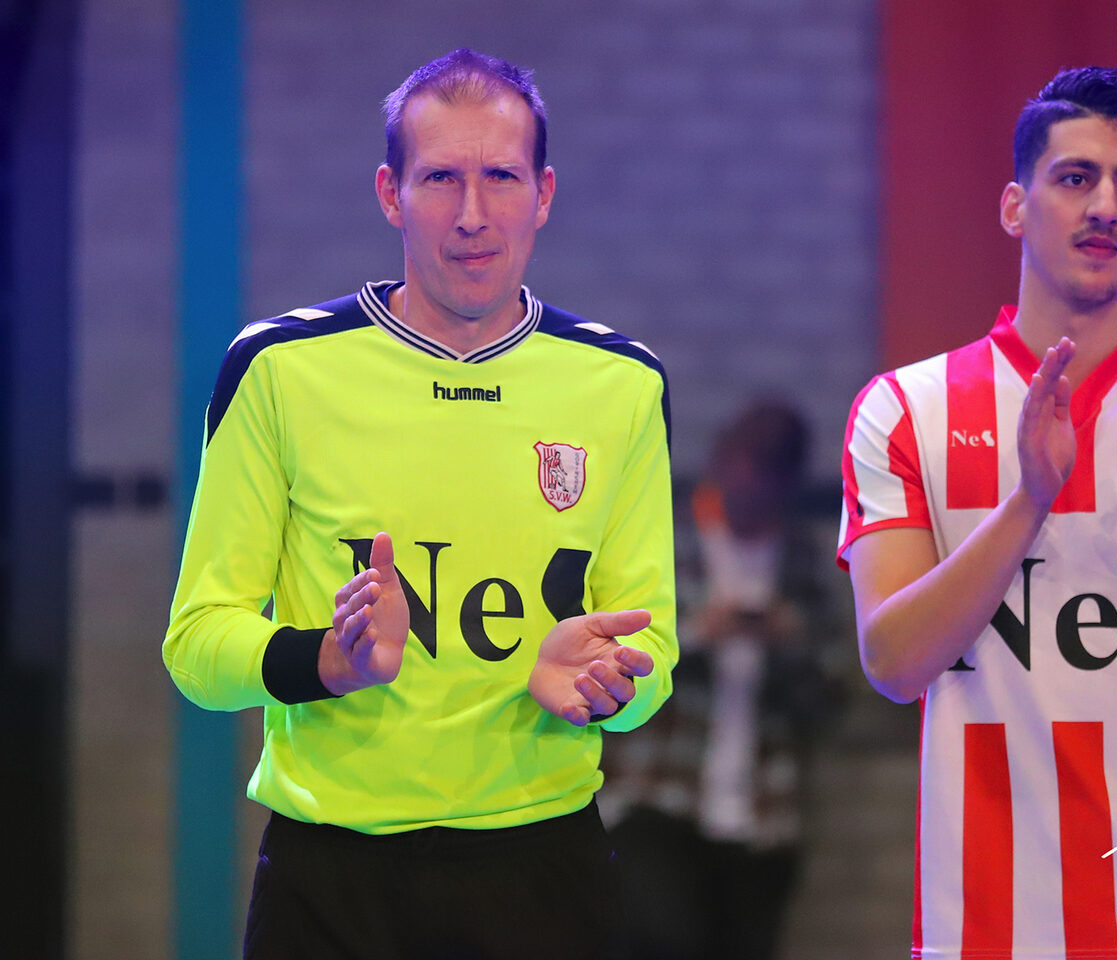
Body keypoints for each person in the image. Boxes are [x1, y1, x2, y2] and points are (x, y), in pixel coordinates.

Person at [164, 49, 676, 960]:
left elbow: (655, 657)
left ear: (544, 193)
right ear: (390, 194)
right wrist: (329, 660)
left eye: (501, 177)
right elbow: (198, 645)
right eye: (440, 178)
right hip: (332, 880)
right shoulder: (279, 369)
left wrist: (609, 689)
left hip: (545, 871)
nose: (472, 214)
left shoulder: (622, 383)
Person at [839, 66, 1117, 960]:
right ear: (1016, 206)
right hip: (985, 927)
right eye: (1076, 178)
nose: (1106, 207)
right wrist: (1027, 503)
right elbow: (893, 663)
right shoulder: (904, 407)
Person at [602, 399, 838, 960]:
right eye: (744, 469)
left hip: (764, 807)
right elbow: (608, 659)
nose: (749, 489)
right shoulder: (665, 540)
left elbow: (833, 695)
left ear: (787, 486)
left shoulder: (800, 559)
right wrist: (695, 633)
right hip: (656, 789)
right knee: (662, 939)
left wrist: (789, 639)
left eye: (767, 479)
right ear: (722, 460)